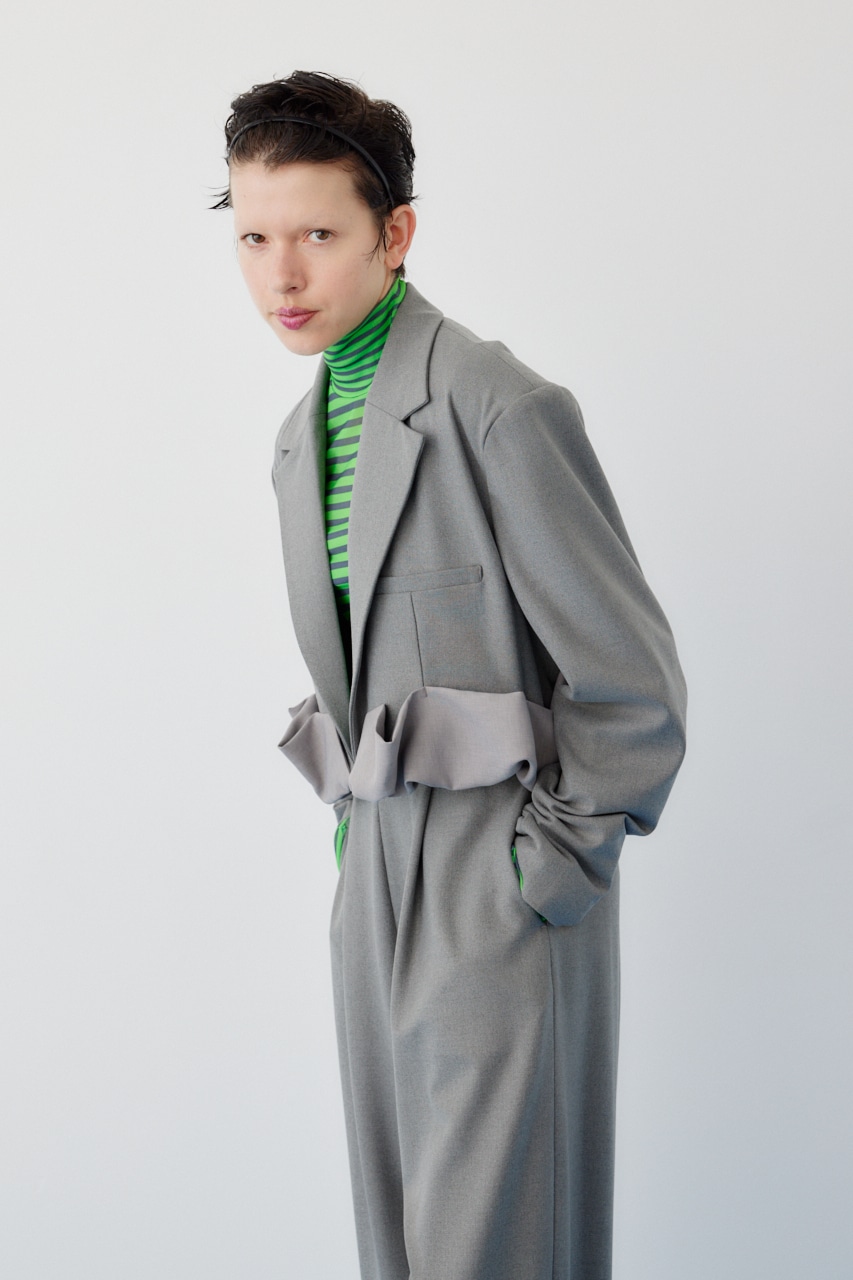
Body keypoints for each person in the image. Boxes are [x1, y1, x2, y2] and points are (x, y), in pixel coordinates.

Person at [216, 70, 687, 1280]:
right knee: (402, 1251)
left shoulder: (498, 405)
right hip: (372, 877)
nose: (282, 275)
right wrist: (352, 843)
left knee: (492, 1251)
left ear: (396, 234)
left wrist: (542, 872)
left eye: (319, 235)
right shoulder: (298, 440)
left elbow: (632, 689)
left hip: (493, 877)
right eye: (255, 237)